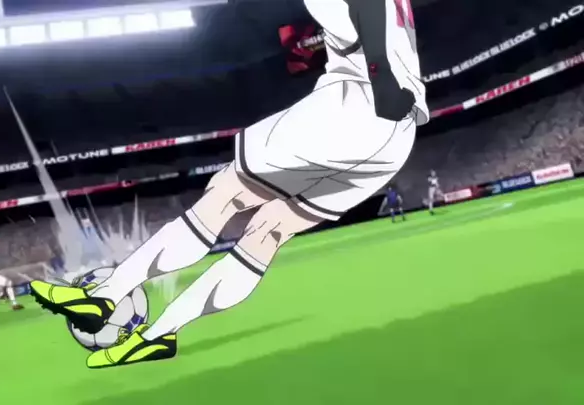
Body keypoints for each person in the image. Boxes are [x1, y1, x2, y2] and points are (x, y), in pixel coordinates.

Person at [29, 0, 429, 368]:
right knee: (270, 229)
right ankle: (157, 334)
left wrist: (379, 78)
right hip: (399, 133)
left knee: (226, 193)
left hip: (359, 106)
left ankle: (107, 294)